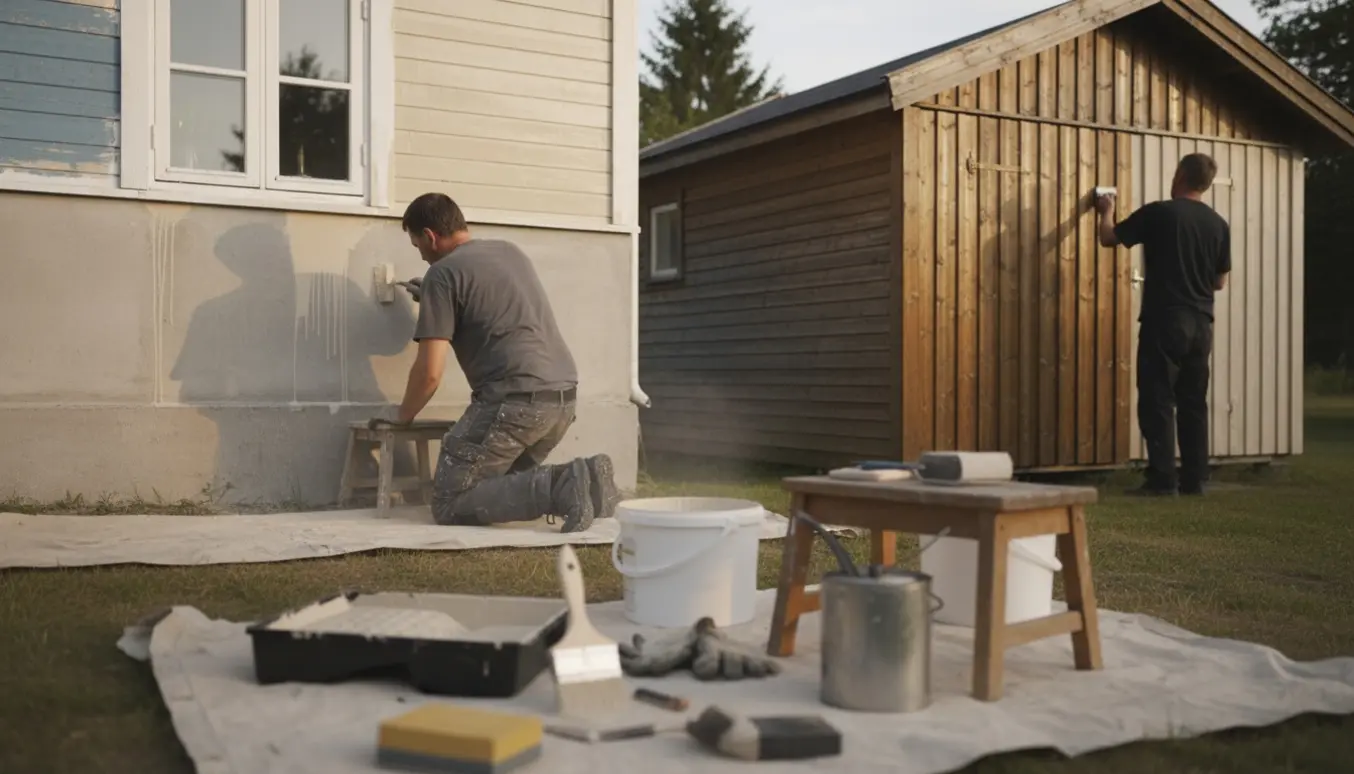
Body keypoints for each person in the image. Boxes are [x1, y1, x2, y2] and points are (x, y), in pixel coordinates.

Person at [373, 192, 619, 532]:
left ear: (430, 236)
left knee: (450, 500)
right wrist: (431, 297)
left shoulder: (442, 276)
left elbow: (430, 374)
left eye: (417, 245)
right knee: (495, 487)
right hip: (561, 402)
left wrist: (401, 417)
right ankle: (589, 480)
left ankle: (561, 484)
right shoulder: (508, 251)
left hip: (514, 407)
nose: (422, 254)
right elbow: (486, 302)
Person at [1095, 153, 1231, 497]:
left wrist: (1106, 210)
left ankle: (1162, 479)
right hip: (1202, 323)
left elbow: (1110, 238)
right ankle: (1195, 480)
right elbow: (1219, 282)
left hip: (1165, 319)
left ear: (1181, 174)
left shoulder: (1160, 213)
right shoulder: (1218, 224)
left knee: (1157, 397)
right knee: (1193, 401)